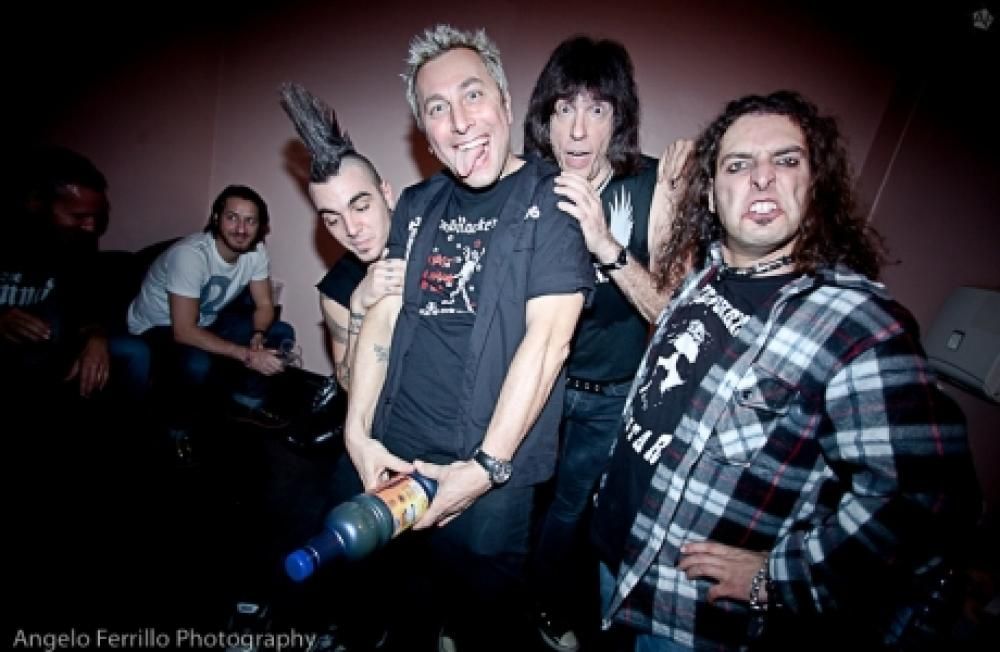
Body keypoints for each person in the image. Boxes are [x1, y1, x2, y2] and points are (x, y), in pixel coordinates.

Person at [591, 90, 980, 650]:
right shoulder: (707, 276)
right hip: (616, 556)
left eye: (786, 160)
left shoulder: (859, 324)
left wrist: (781, 577)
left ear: (815, 185)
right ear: (712, 194)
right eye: (738, 164)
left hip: (688, 614)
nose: (762, 177)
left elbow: (927, 503)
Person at [343, 24, 593, 651]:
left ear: (505, 104)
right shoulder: (416, 204)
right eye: (437, 108)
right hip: (395, 453)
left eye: (473, 95)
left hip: (487, 472)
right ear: (424, 134)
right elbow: (382, 318)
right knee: (407, 607)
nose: (459, 122)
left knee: (486, 620)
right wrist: (357, 434)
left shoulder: (554, 201)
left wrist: (482, 471)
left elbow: (548, 343)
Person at [521, 36, 693, 651]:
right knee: (513, 495)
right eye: (564, 107)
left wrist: (605, 244)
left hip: (609, 393)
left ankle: (541, 601)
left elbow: (671, 312)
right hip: (537, 378)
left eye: (596, 109)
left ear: (618, 118)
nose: (577, 128)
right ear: (544, 117)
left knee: (570, 508)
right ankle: (481, 603)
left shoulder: (651, 185)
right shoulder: (527, 184)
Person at [126, 184, 294, 448]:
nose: (241, 229)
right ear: (216, 218)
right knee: (197, 362)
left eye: (250, 221)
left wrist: (258, 335)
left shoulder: (256, 252)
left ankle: (245, 404)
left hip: (205, 320)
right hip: (155, 327)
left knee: (281, 332)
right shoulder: (190, 256)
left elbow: (264, 304)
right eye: (232, 218)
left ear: (261, 226)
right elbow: (183, 331)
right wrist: (247, 355)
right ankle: (176, 431)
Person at [279, 83, 404, 392]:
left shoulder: (435, 239)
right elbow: (348, 384)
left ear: (386, 194)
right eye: (332, 220)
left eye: (360, 207)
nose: (351, 229)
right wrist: (359, 306)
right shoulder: (337, 290)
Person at [1, 146, 113, 404]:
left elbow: (87, 304)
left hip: (49, 351)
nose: (91, 226)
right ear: (35, 204)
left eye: (95, 216)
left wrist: (96, 337)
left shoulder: (78, 243)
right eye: (79, 216)